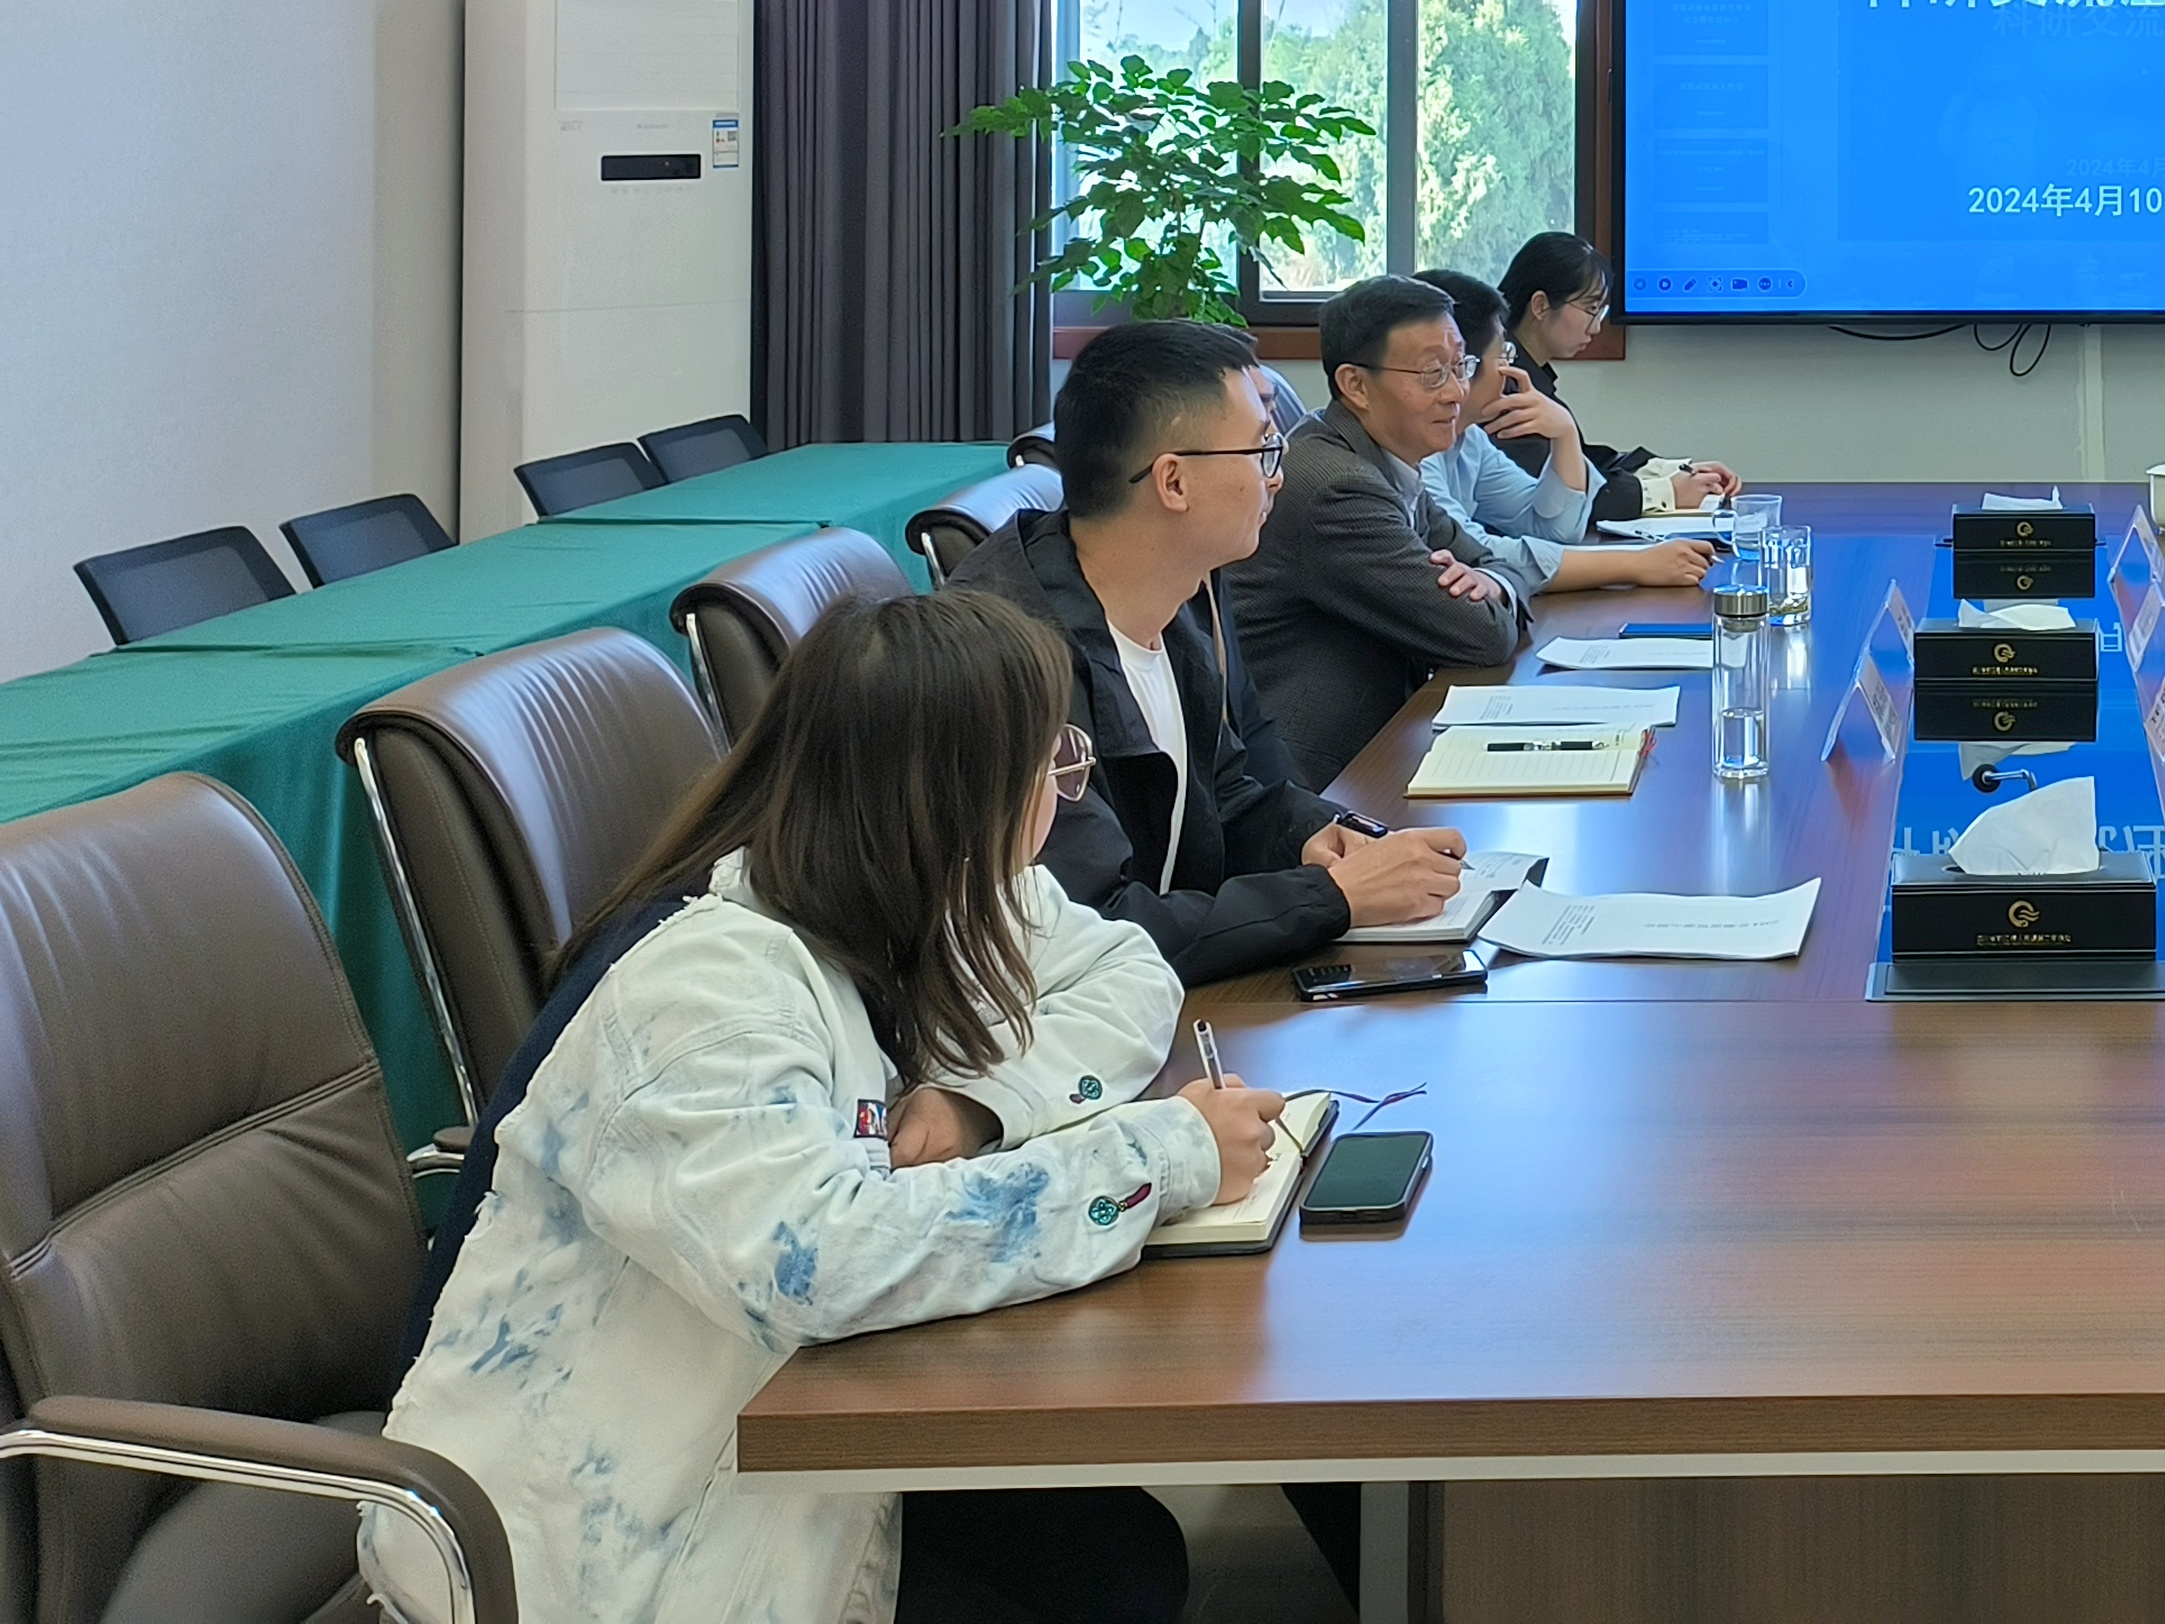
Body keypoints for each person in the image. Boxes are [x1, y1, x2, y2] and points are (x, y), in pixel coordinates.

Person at [368, 583, 1290, 1624]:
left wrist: (979, 1105)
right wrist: (1162, 1156)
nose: (1062, 793)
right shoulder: (708, 989)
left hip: (767, 1425)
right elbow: (816, 1264)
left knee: (1110, 1556)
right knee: (1098, 1579)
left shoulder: (933, 888)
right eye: (1050, 764)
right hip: (607, 1535)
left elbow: (1129, 972)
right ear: (957, 795)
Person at [942, 318, 1466, 982]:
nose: (1278, 476)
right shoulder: (1007, 658)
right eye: (1262, 449)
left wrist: (1325, 835)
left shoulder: (1182, 590)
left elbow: (1227, 795)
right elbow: (1088, 928)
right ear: (1174, 483)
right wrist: (1330, 897)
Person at [1233, 274, 1545, 781]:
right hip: (1316, 782)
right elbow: (1481, 635)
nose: (1457, 393)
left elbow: (1495, 563)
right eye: (1432, 373)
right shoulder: (1338, 486)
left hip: (1381, 748)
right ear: (1356, 385)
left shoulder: (1384, 460)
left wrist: (1494, 583)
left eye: (1460, 367)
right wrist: (1490, 592)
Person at [1415, 266, 1723, 599]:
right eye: (1503, 355)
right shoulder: (1417, 451)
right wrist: (1634, 564)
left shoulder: (1469, 440)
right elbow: (1479, 553)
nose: (1510, 369)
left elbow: (1554, 528)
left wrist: (1565, 433)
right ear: (1463, 364)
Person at [1496, 231, 1735, 521]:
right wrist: (1666, 492)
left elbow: (1583, 460)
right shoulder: (1501, 384)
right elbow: (1559, 490)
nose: (1596, 328)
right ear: (1540, 306)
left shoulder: (1531, 373)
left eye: (1601, 311)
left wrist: (1676, 472)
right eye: (1590, 309)